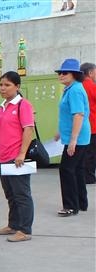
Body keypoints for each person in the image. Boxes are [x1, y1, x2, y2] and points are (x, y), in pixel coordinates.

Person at [0, 71, 35, 242]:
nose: (2, 88)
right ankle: (13, 225)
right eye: (1, 85)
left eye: (7, 85)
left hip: (16, 159)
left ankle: (25, 230)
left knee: (22, 195)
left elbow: (28, 129)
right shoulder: (2, 107)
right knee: (11, 195)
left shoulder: (23, 105)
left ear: (17, 87)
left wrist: (22, 153)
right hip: (2, 158)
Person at [54, 58, 90, 216]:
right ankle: (81, 203)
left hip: (77, 138)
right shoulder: (72, 88)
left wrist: (73, 140)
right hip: (78, 136)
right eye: (60, 73)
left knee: (66, 169)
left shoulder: (75, 90)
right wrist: (60, 131)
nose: (61, 75)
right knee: (78, 170)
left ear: (75, 74)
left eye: (64, 73)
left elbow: (78, 115)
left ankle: (70, 206)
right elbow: (69, 114)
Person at [79, 62, 96, 184]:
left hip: (82, 125)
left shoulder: (78, 86)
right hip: (93, 124)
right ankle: (89, 177)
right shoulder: (91, 86)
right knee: (91, 153)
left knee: (85, 152)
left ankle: (84, 175)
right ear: (90, 72)